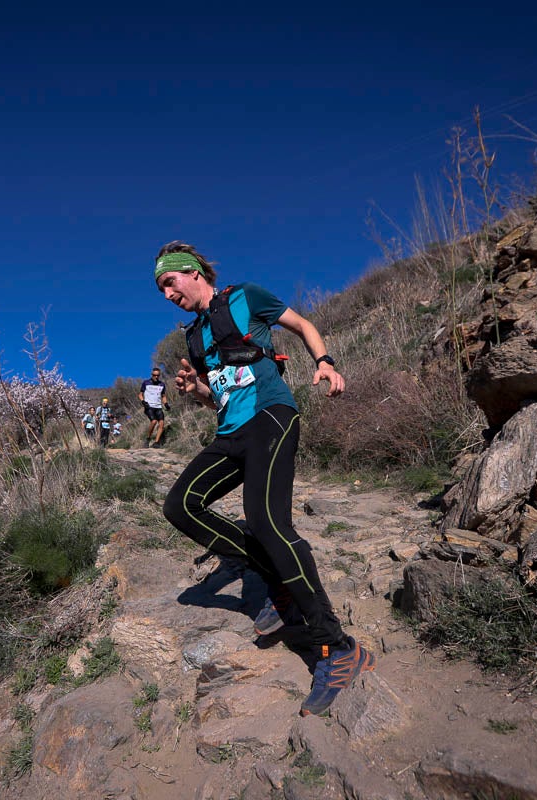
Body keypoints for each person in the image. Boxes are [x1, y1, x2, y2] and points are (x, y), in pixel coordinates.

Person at [153, 241, 375, 717]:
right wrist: (195, 390)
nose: (167, 294)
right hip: (230, 432)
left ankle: (338, 648)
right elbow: (219, 398)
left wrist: (325, 362)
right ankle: (274, 578)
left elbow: (301, 325)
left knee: (270, 525)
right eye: (161, 289)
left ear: (192, 272)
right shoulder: (194, 338)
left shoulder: (245, 296)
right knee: (181, 505)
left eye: (169, 283)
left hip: (272, 416)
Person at [138, 367, 170, 447]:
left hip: (158, 406)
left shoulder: (162, 384)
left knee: (162, 424)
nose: (156, 377)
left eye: (158, 375)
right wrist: (143, 401)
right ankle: (148, 438)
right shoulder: (146, 382)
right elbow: (140, 394)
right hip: (149, 406)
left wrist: (166, 404)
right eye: (154, 375)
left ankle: (156, 442)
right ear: (151, 375)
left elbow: (163, 396)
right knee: (154, 421)